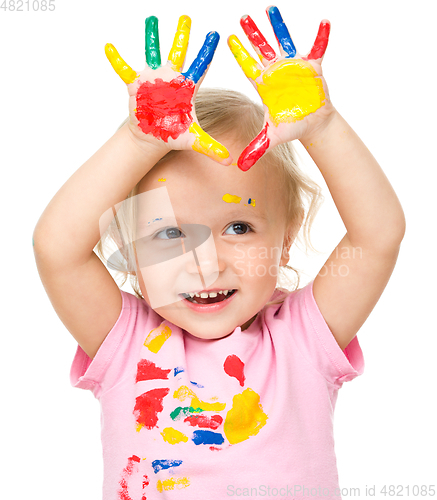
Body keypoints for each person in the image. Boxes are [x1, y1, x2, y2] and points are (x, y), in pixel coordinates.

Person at [33, 7, 406, 500]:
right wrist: (135, 141)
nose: (205, 262)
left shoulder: (302, 339)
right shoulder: (126, 343)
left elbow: (377, 236)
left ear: (286, 237)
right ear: (128, 251)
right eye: (168, 235)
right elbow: (55, 248)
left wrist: (322, 128)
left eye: (238, 226)